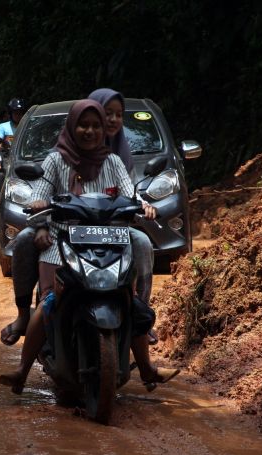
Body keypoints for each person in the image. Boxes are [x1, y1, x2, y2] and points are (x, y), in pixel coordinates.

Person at [0, 100, 178, 394]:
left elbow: (130, 194)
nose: (90, 131)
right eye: (84, 124)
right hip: (63, 241)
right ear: (72, 127)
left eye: (96, 125)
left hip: (111, 240)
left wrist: (144, 207)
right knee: (48, 303)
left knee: (129, 296)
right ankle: (22, 369)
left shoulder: (113, 162)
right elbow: (41, 193)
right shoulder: (56, 161)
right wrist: (40, 206)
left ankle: (146, 367)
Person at [89, 88, 156, 343]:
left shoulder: (118, 158)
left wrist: (142, 205)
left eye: (119, 115)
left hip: (114, 229)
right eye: (108, 114)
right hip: (76, 231)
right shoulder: (67, 156)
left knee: (143, 242)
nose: (113, 120)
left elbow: (130, 192)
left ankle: (141, 311)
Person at [0, 98, 27, 202]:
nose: (18, 115)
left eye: (20, 113)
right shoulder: (3, 127)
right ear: (10, 114)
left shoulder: (28, 126)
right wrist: (3, 144)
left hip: (26, 158)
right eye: (15, 113)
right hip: (8, 158)